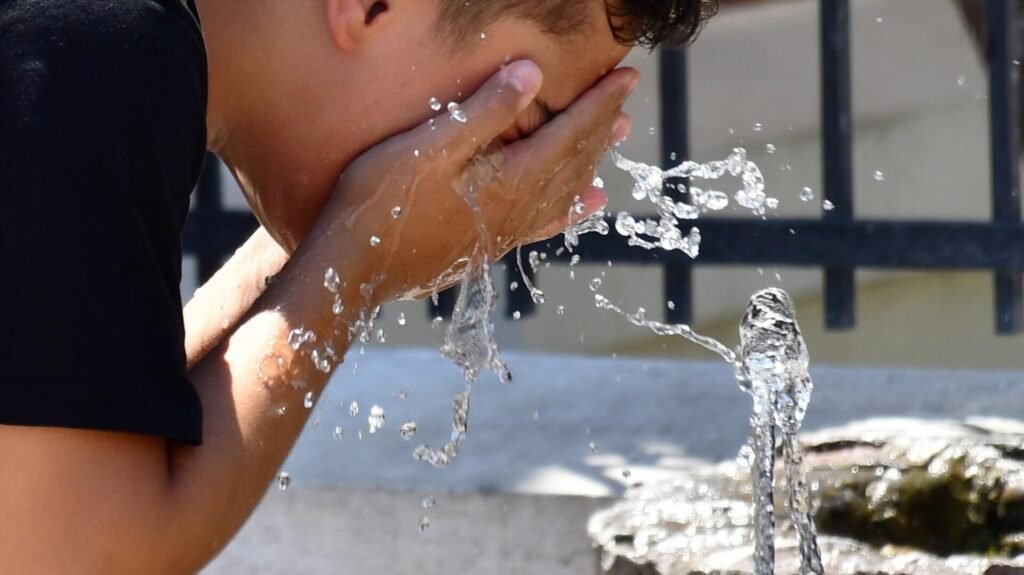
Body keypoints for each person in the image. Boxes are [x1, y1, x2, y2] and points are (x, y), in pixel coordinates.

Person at [0, 0, 716, 571]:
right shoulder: (86, 54)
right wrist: (360, 249)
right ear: (374, 6)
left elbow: (77, 455)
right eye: (518, 121)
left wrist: (353, 232)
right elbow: (76, 553)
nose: (497, 172)